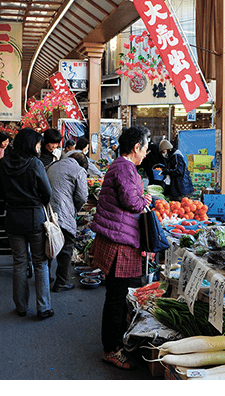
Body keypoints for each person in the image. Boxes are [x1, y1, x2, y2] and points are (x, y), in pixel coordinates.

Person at [91, 125, 152, 370]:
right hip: (119, 241)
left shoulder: (120, 166)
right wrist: (144, 200)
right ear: (136, 147)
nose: (146, 154)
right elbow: (130, 201)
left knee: (115, 295)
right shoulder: (125, 167)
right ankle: (111, 349)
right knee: (116, 297)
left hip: (117, 236)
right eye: (145, 149)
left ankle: (114, 343)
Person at [0, 128, 54, 319]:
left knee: (19, 263)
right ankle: (43, 308)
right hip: (34, 218)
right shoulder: (35, 164)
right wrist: (37, 200)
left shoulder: (3, 163)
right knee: (40, 263)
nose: (39, 148)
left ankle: (21, 307)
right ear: (30, 144)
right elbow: (48, 193)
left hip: (12, 218)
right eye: (37, 144)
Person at [46, 152, 89, 292]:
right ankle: (62, 282)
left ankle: (45, 278)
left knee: (48, 244)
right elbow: (83, 196)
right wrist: (74, 208)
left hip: (47, 212)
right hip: (64, 213)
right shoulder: (79, 170)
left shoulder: (52, 166)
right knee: (66, 247)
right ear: (82, 164)